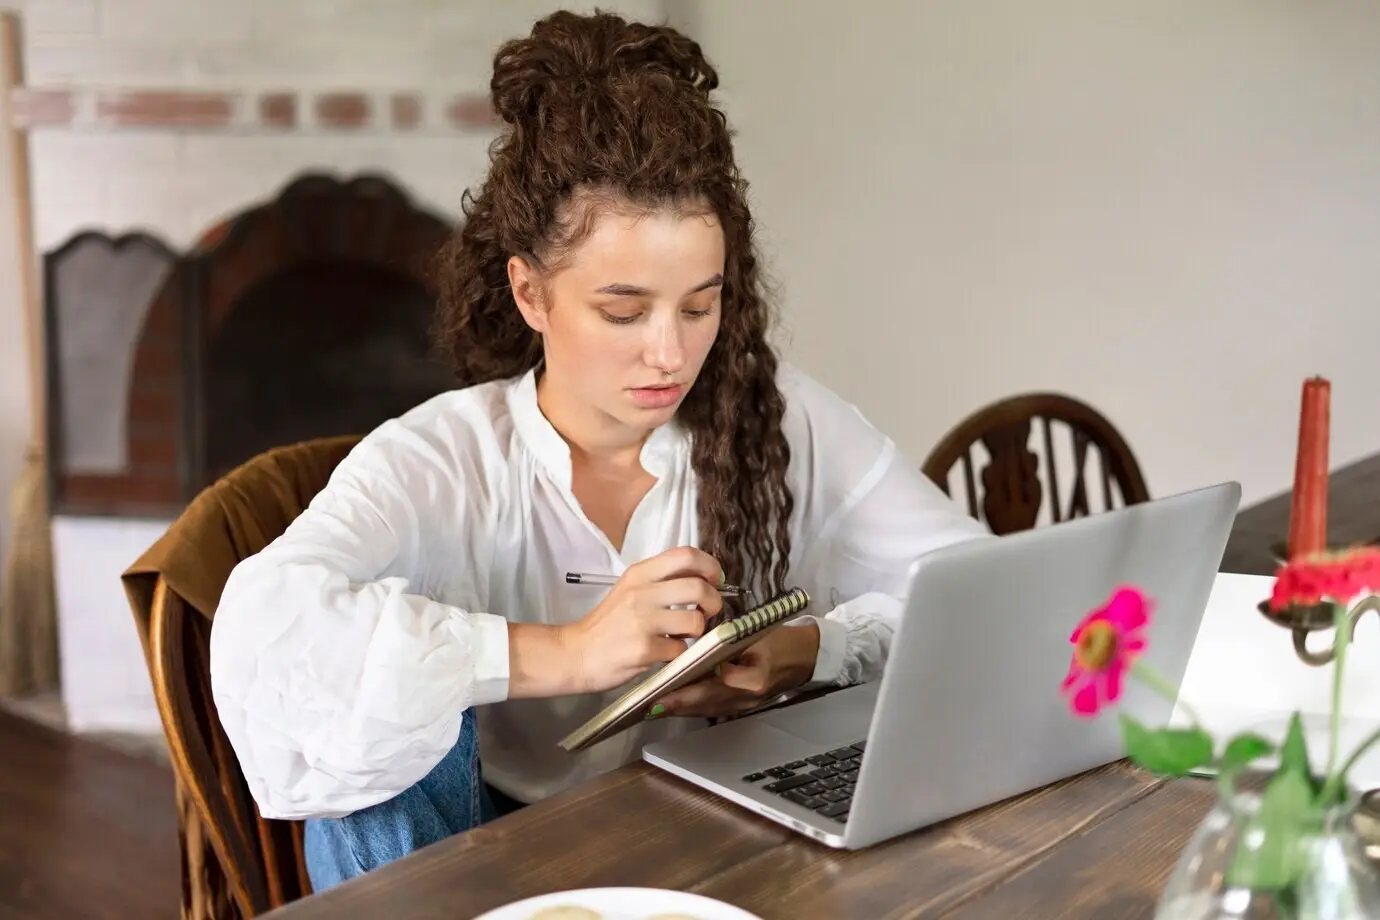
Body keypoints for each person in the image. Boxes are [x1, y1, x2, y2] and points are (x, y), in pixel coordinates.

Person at [208, 9, 989, 891]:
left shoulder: (779, 421)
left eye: (701, 305)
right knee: (384, 737)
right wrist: (569, 652)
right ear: (531, 293)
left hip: (697, 840)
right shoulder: (444, 456)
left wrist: (814, 649)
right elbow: (265, 631)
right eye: (623, 312)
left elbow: (981, 592)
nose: (671, 352)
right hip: (479, 855)